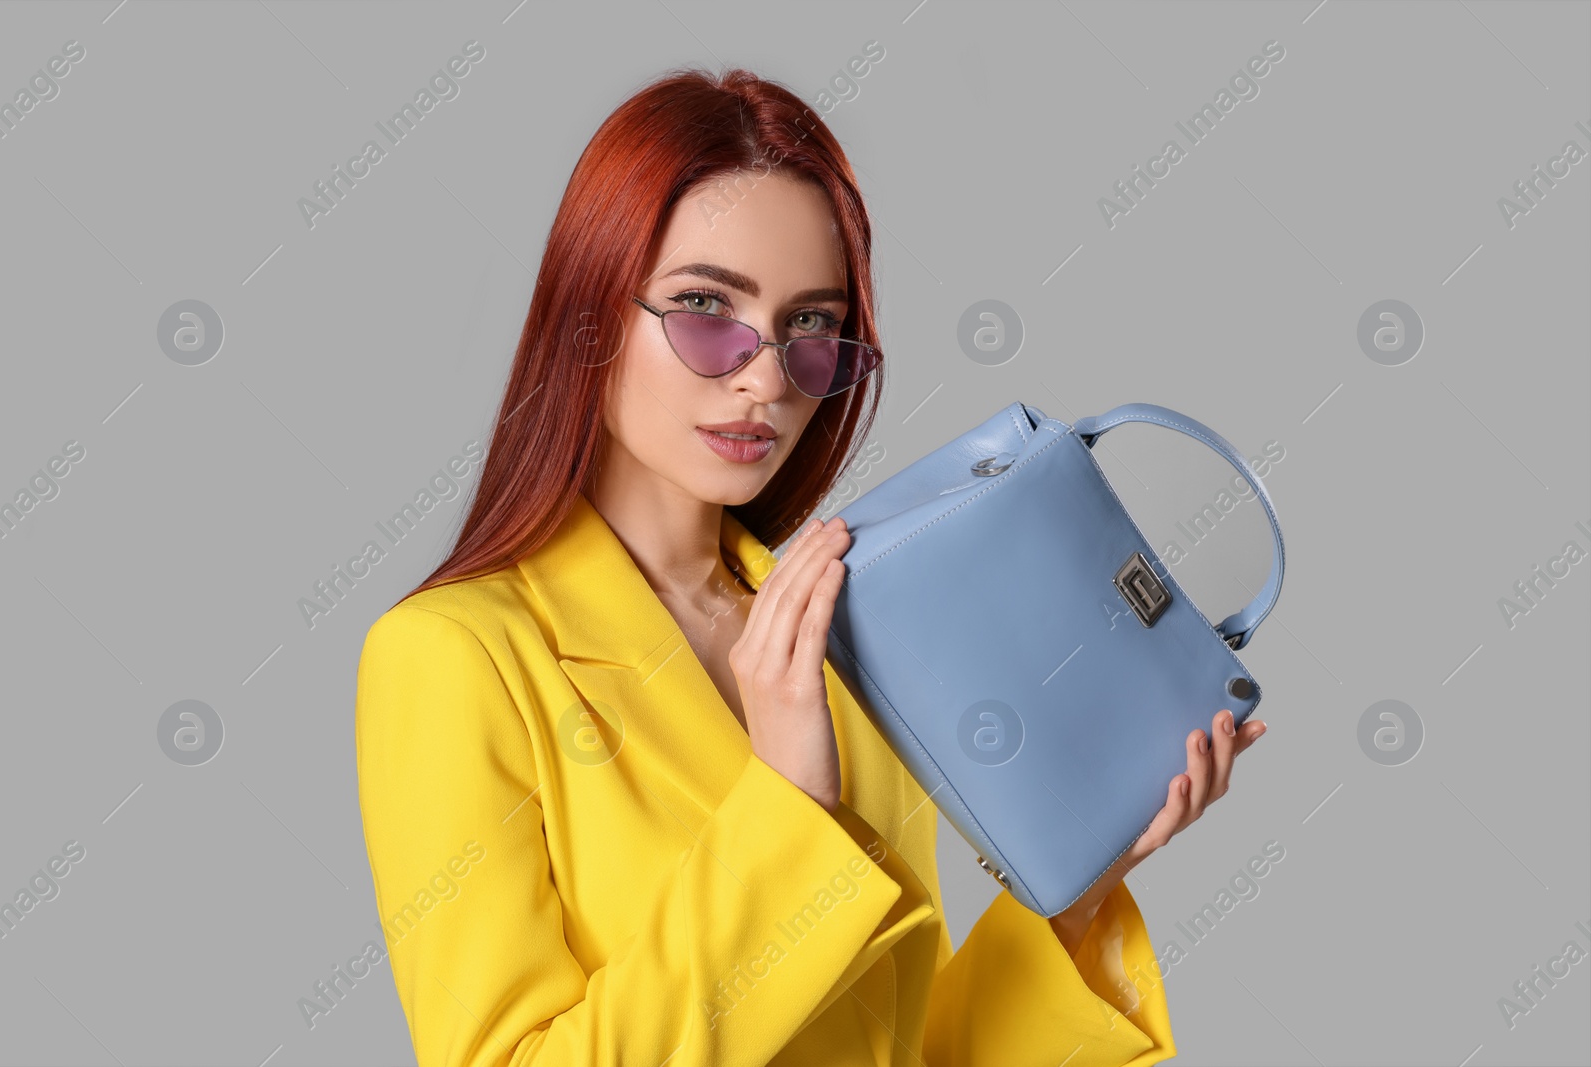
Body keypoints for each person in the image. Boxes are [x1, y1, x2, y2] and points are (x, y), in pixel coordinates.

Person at [354, 66, 1265, 1067]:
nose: (763, 377)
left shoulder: (839, 634)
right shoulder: (451, 658)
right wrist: (785, 806)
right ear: (589, 313)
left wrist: (1081, 886)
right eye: (705, 306)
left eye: (811, 325)